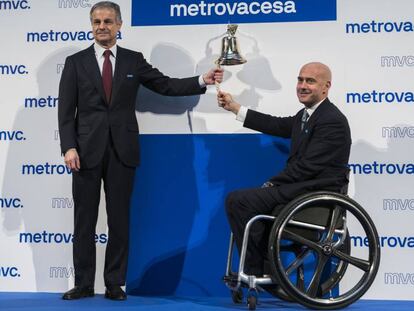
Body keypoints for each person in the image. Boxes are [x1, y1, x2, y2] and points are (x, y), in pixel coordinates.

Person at [58, 1, 223, 301]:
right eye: (96, 21)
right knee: (84, 221)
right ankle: (83, 283)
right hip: (84, 153)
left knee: (119, 219)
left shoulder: (134, 61)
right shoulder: (75, 62)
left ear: (119, 25)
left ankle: (113, 283)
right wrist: (68, 146)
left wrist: (202, 80)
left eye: (108, 21)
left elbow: (166, 86)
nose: (102, 26)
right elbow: (66, 111)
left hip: (123, 151)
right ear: (91, 25)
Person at [217, 62, 351, 279]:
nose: (302, 85)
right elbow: (276, 125)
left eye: (310, 81)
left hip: (316, 192)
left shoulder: (332, 120)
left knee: (240, 200)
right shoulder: (306, 114)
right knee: (240, 201)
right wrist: (235, 108)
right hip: (301, 187)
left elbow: (308, 167)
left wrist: (273, 182)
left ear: (326, 87)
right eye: (300, 80)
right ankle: (260, 267)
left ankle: (256, 270)